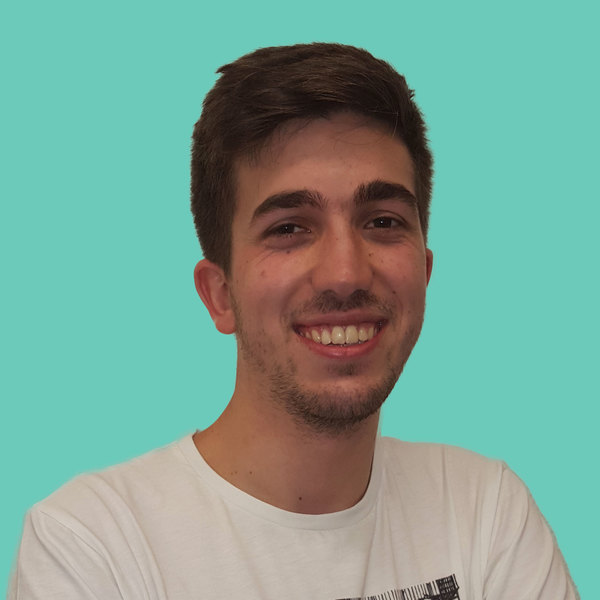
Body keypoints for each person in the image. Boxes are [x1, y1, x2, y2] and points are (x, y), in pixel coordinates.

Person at [9, 43, 578, 600]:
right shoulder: (93, 546)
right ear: (220, 295)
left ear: (424, 273)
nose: (346, 273)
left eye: (382, 221)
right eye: (289, 228)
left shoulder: (485, 512)